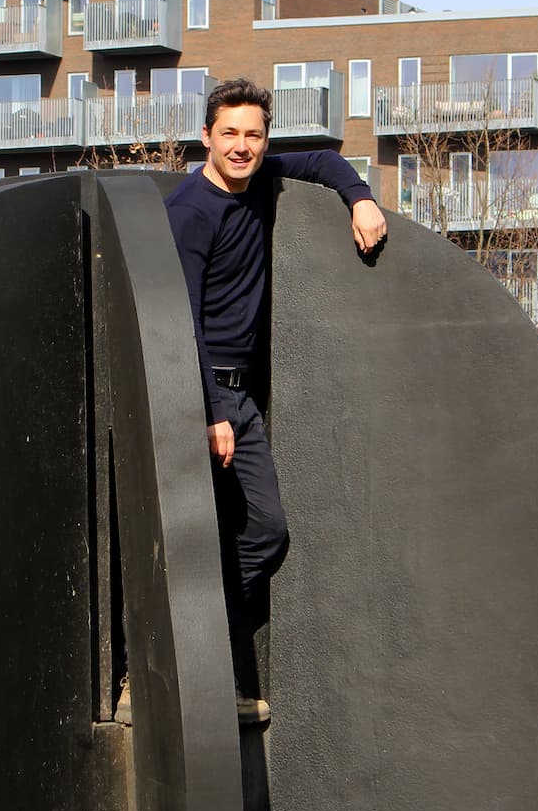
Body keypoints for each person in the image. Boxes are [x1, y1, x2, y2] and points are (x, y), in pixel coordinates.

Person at [162, 76, 387, 725]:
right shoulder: (189, 212)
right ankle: (167, 668)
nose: (242, 146)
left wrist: (360, 199)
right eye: (229, 133)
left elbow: (322, 161)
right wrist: (209, 412)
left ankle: (199, 654)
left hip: (241, 401)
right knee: (188, 538)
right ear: (206, 137)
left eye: (254, 135)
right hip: (200, 397)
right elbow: (181, 320)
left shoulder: (262, 179)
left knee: (264, 531)